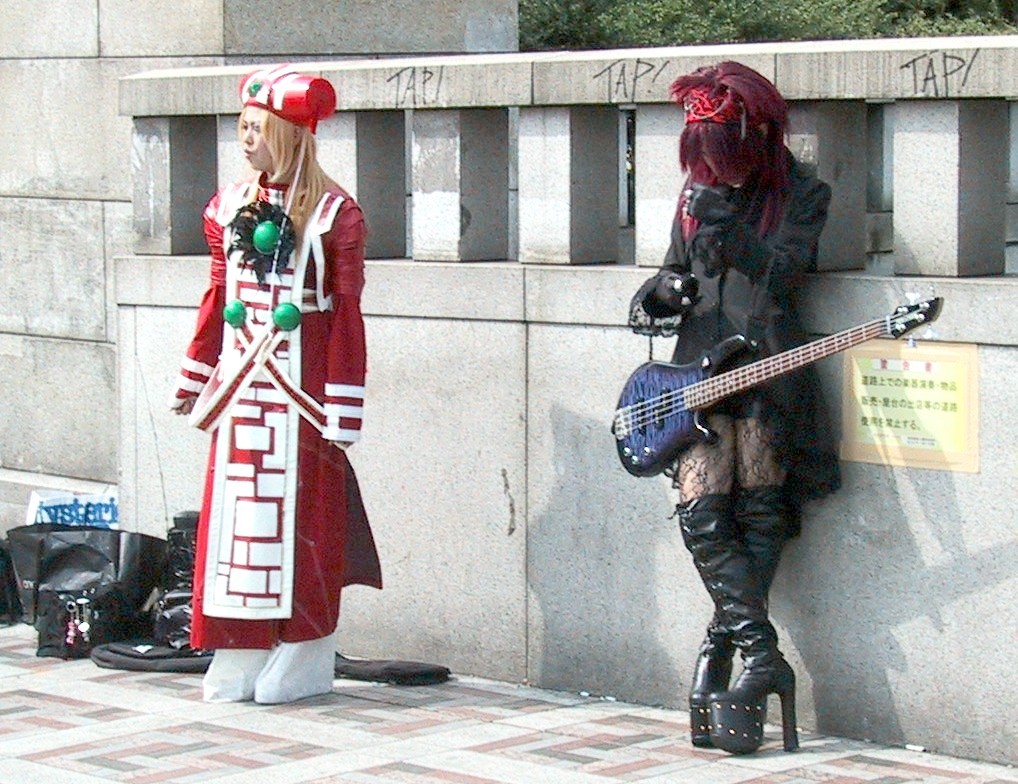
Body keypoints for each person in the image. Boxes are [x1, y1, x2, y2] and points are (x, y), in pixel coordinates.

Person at [628, 61, 840, 754]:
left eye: (727, 158)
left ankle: (724, 659)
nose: (718, 171)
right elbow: (670, 270)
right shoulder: (698, 189)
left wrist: (739, 238)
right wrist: (662, 293)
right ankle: (760, 654)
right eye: (707, 161)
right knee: (701, 513)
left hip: (769, 370)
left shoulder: (804, 191)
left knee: (758, 514)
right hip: (698, 370)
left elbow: (786, 278)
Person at [170, 65, 381, 704]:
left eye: (258, 128)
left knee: (306, 525)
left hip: (302, 400)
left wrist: (343, 402)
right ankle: (236, 647)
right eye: (243, 127)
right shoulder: (227, 206)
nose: (247, 139)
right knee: (237, 525)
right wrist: (196, 370)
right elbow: (217, 294)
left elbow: (346, 315)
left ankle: (307, 648)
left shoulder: (336, 215)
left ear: (291, 133)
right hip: (242, 395)